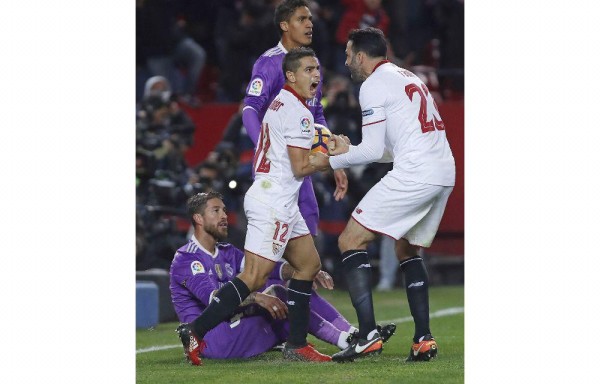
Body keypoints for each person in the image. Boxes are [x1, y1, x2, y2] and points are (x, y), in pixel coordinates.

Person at [176, 48, 336, 365]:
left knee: (308, 265)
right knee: (254, 277)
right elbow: (301, 167)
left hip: (280, 197)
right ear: (290, 76)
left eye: (316, 68)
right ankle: (195, 330)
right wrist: (335, 155)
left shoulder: (281, 105)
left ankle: (297, 345)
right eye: (307, 69)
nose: (315, 74)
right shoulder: (299, 113)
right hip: (274, 200)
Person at [310, 27, 455, 362]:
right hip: (442, 170)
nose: (346, 62)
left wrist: (329, 160)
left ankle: (368, 334)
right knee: (406, 247)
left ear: (361, 55)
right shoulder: (406, 77)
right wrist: (350, 149)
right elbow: (390, 149)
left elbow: (374, 151)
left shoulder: (373, 84)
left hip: (416, 172)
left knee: (350, 240)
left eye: (348, 55)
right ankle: (422, 339)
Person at [171, 191, 365, 361]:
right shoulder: (187, 258)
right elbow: (214, 299)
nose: (224, 216)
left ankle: (351, 333)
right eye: (216, 211)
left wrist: (305, 270)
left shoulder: (226, 251)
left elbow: (266, 269)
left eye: (224, 210)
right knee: (281, 298)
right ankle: (344, 340)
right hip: (213, 340)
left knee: (295, 288)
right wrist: (258, 297)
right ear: (198, 218)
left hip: (235, 325)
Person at [242, 0, 349, 235]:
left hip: (300, 160)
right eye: (302, 19)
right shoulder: (269, 63)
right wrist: (266, 146)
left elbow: (316, 114)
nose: (310, 24)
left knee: (309, 213)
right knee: (273, 233)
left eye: (310, 18)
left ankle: (302, 272)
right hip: (274, 166)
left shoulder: (312, 64)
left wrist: (333, 158)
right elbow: (249, 109)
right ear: (285, 25)